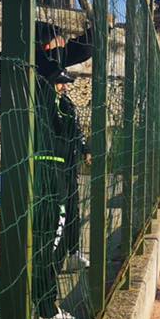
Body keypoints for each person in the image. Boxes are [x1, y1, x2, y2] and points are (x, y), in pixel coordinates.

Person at [0, 21, 92, 319]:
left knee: (40, 247)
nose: (61, 54)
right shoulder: (25, 67)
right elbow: (81, 51)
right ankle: (34, 309)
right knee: (42, 245)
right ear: (43, 46)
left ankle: (2, 309)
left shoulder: (24, 69)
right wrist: (93, 30)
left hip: (45, 166)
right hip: (41, 167)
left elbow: (77, 52)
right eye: (56, 46)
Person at [56, 84, 91, 273]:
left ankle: (73, 252)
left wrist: (85, 149)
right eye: (61, 81)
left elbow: (76, 130)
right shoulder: (50, 102)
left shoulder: (66, 102)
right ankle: (59, 255)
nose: (66, 86)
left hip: (69, 165)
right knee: (60, 214)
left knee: (72, 211)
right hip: (56, 165)